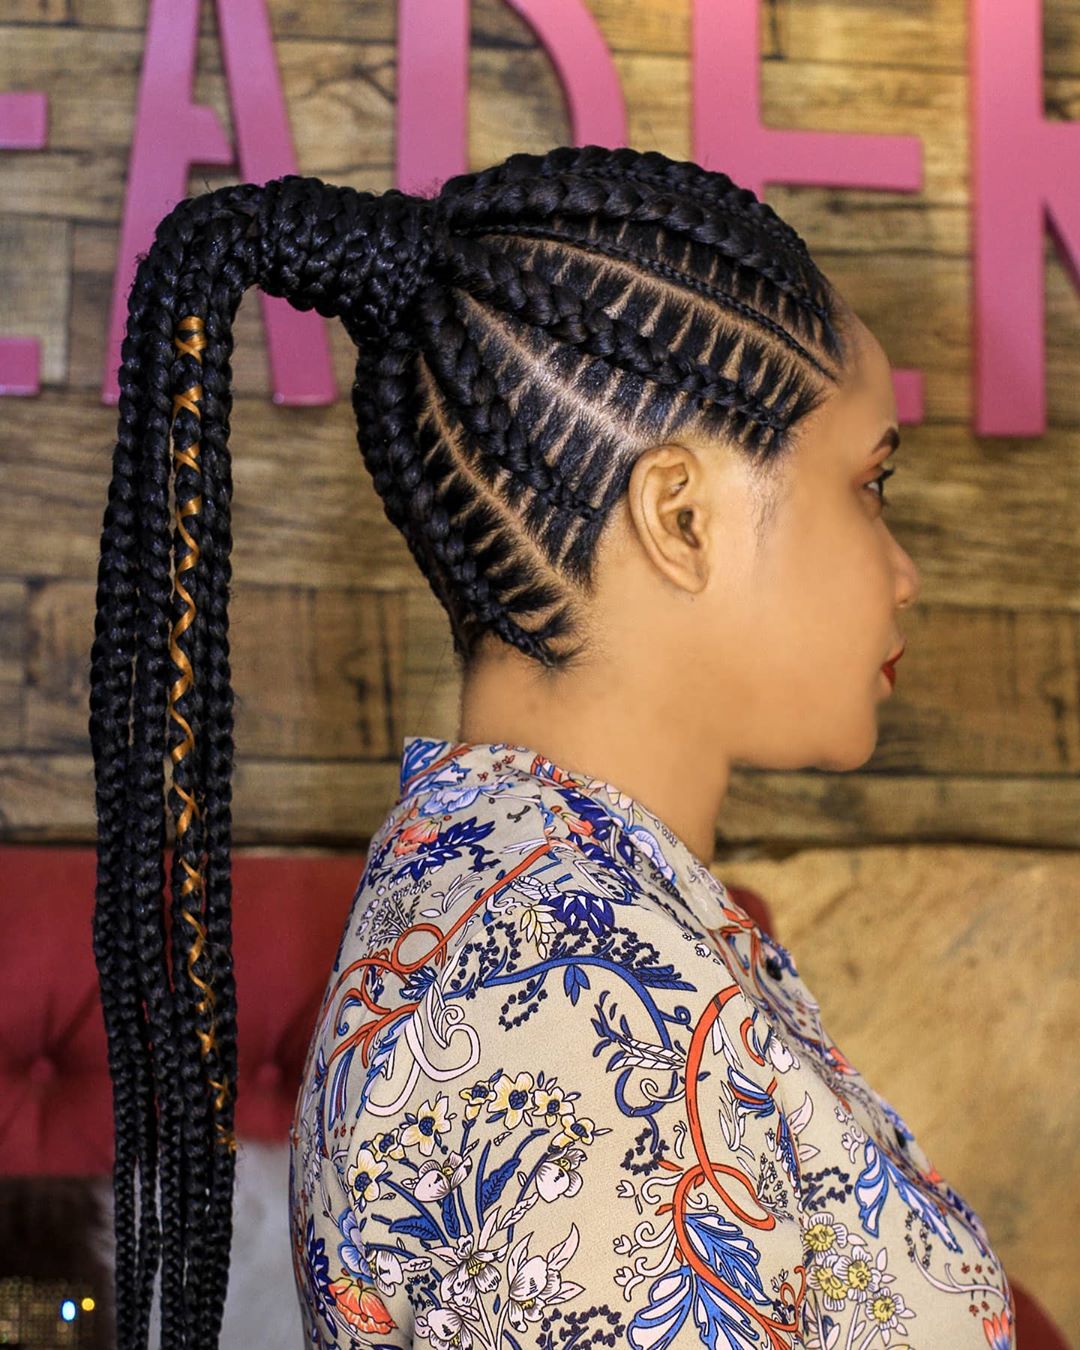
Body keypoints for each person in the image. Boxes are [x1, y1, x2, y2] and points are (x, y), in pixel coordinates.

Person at [87, 145, 1016, 1350]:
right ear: (681, 517)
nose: (904, 572)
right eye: (869, 481)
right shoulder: (557, 1015)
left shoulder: (575, 909)